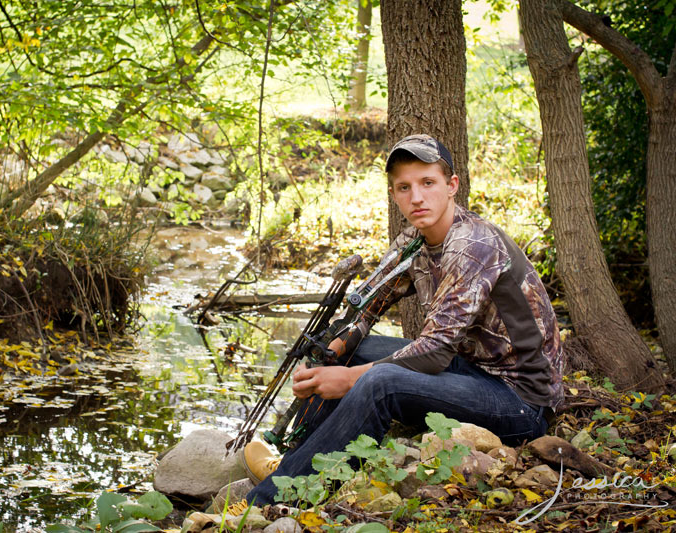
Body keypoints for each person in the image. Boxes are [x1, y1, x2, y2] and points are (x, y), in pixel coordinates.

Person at [237, 134, 564, 509]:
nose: (417, 197)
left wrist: (348, 379)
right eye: (404, 187)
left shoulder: (472, 246)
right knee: (346, 351)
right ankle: (298, 457)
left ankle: (265, 503)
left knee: (380, 382)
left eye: (428, 183)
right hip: (470, 370)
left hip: (520, 400)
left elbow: (435, 352)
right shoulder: (415, 241)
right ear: (394, 194)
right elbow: (372, 305)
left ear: (452, 185)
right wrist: (337, 348)